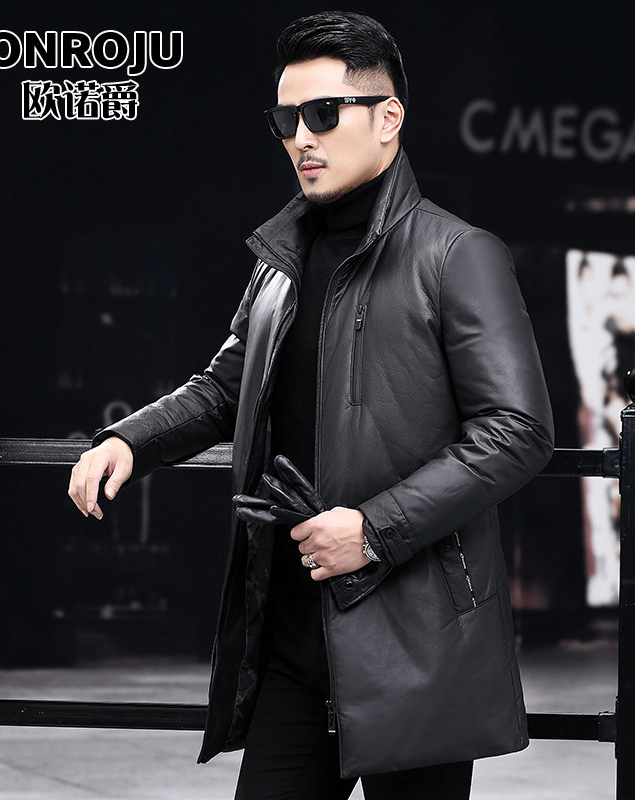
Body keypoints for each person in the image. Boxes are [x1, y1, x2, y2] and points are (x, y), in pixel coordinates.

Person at [68, 11, 554, 799]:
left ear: (388, 119)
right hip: (295, 634)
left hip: (416, 637)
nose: (301, 137)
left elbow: (518, 430)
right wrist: (129, 440)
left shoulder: (458, 254)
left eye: (324, 113)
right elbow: (224, 387)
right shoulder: (279, 263)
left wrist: (375, 529)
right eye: (286, 119)